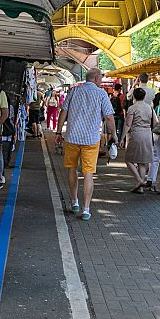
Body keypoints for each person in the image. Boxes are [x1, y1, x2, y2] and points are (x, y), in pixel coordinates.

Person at [55, 68, 118, 221]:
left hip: (72, 137)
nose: (102, 80)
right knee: (88, 173)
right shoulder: (101, 93)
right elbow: (109, 118)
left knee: (71, 169)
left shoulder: (74, 91)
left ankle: (74, 201)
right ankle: (86, 209)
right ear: (96, 78)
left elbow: (64, 111)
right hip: (90, 139)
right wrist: (114, 135)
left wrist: (58, 132)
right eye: (101, 78)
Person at [122, 88, 158, 193]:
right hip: (147, 134)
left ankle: (139, 180)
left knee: (128, 159)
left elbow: (128, 124)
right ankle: (140, 188)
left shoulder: (132, 108)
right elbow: (156, 122)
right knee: (142, 162)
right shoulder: (149, 108)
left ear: (134, 96)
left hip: (137, 133)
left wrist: (122, 137)